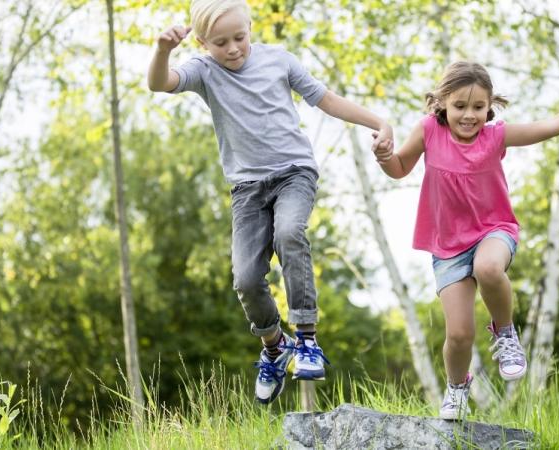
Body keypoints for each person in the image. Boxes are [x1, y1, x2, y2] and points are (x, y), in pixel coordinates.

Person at [147, 0, 394, 405]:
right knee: (245, 278)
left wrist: (379, 122)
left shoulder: (279, 60)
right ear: (204, 42)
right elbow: (160, 83)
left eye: (239, 38)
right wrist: (162, 50)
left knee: (290, 234)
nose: (232, 49)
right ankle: (275, 347)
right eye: (220, 43)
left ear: (250, 27)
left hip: (294, 172)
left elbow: (326, 99)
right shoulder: (203, 71)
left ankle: (307, 339)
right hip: (247, 189)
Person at [372, 61, 559, 419]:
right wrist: (386, 156)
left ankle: (506, 334)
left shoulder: (495, 135)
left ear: (489, 104)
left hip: (493, 230)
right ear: (443, 102)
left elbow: (550, 126)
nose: (469, 115)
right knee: (460, 335)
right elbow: (399, 168)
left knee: (489, 268)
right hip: (447, 245)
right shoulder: (429, 130)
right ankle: (456, 387)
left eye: (478, 107)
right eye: (460, 106)